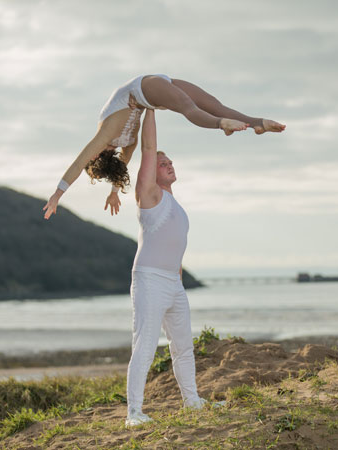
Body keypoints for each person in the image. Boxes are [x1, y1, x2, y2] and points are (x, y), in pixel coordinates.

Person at [43, 74, 285, 219]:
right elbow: (122, 163)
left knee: (193, 109)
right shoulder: (121, 143)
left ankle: (222, 124)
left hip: (145, 89)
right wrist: (114, 192)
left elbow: (78, 163)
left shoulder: (105, 135)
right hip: (151, 87)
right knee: (212, 104)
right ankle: (257, 123)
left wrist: (57, 195)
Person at [125, 108, 207, 427]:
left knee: (183, 346)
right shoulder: (150, 196)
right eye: (162, 164)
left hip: (174, 284)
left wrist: (179, 277)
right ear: (151, 172)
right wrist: (151, 108)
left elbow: (174, 245)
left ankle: (192, 402)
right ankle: (134, 412)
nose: (168, 164)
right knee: (144, 346)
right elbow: (148, 149)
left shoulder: (176, 205)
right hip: (149, 281)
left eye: (170, 161)